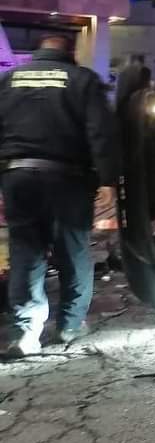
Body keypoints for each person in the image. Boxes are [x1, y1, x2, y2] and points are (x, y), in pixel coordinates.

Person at [0, 34, 118, 357]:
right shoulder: (83, 80)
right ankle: (69, 324)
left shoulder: (8, 80)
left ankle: (27, 332)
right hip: (68, 178)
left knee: (26, 251)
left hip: (18, 176)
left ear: (39, 50)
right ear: (71, 52)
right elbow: (101, 132)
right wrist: (108, 180)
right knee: (73, 249)